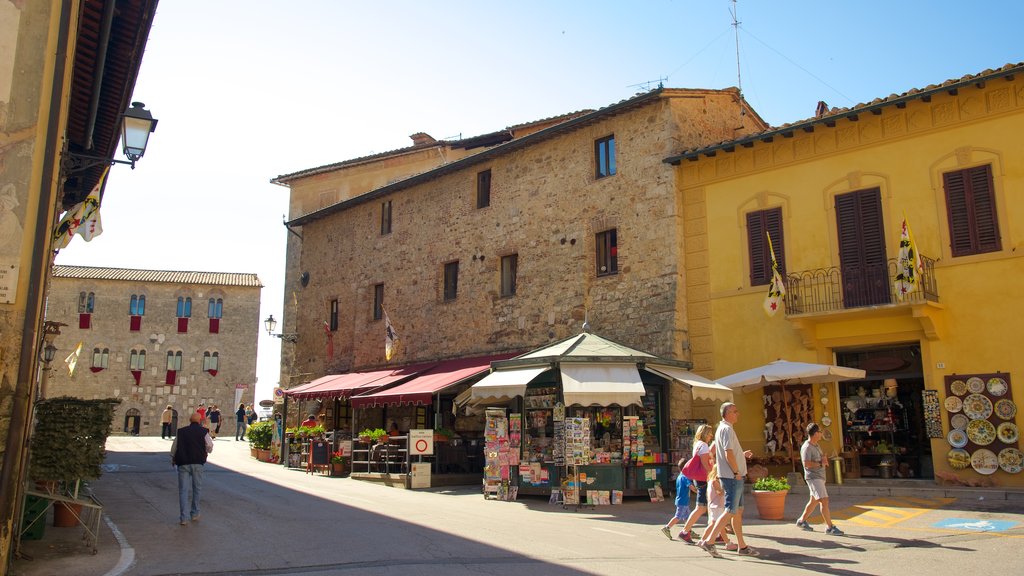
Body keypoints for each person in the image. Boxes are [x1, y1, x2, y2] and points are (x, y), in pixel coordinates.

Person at [696, 402, 759, 557]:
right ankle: (709, 542)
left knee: (737, 511)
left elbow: (727, 453)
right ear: (727, 413)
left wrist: (741, 455)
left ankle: (742, 546)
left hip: (732, 475)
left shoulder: (725, 429)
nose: (738, 414)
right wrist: (736, 471)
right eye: (735, 411)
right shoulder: (725, 429)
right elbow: (727, 452)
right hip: (732, 477)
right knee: (730, 510)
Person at [796, 422, 845, 535]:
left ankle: (801, 521)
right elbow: (806, 464)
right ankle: (830, 527)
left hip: (819, 477)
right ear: (814, 434)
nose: (821, 433)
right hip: (813, 478)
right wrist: (820, 462)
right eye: (819, 432)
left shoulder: (816, 445)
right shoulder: (807, 447)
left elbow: (819, 461)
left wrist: (823, 460)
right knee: (824, 500)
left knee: (814, 501)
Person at [171, 412, 214, 525]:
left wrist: (173, 458)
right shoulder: (203, 432)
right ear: (200, 421)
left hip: (183, 463)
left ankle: (183, 517)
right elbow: (209, 445)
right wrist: (206, 451)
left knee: (183, 490)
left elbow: (174, 447)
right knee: (197, 488)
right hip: (198, 463)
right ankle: (194, 513)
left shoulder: (181, 431)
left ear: (190, 421)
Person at [677, 424, 714, 543]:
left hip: (699, 478)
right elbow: (704, 463)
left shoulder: (697, 444)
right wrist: (712, 474)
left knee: (705, 507)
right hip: (703, 478)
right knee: (702, 507)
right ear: (704, 434)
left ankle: (716, 533)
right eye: (709, 433)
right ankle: (685, 531)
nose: (711, 436)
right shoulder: (703, 446)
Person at [660, 458, 691, 539]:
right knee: (678, 516)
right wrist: (698, 491)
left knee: (687, 517)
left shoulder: (680, 476)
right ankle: (667, 527)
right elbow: (691, 487)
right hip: (683, 500)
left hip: (682, 499)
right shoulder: (685, 477)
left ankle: (688, 530)